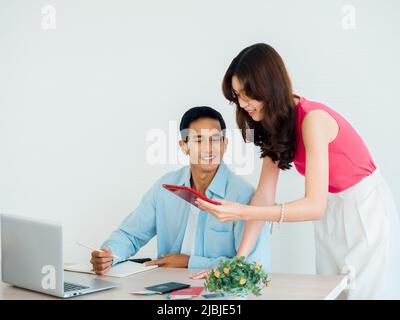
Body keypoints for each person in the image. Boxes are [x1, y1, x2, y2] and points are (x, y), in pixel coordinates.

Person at [195, 43, 400, 299]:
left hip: (364, 210)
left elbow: (314, 206)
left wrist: (241, 211)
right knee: (332, 293)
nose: (243, 103)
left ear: (269, 86)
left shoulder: (313, 120)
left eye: (247, 94)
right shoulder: (273, 124)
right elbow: (264, 196)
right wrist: (239, 261)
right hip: (331, 212)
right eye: (237, 95)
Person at [90, 106, 270, 275]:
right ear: (184, 147)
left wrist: (189, 262)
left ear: (225, 144)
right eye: (199, 140)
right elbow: (131, 235)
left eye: (215, 139)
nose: (209, 148)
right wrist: (109, 254)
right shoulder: (165, 187)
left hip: (218, 291)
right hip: (166, 287)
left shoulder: (243, 196)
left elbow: (251, 266)